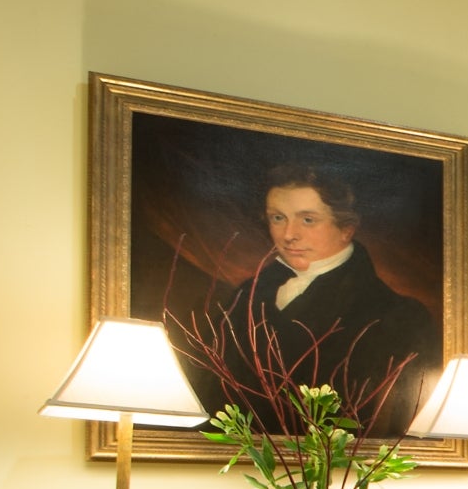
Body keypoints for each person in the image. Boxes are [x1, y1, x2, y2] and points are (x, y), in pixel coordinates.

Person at [174, 164, 440, 437]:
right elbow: (205, 392)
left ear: (346, 229)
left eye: (308, 220)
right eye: (278, 218)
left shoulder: (399, 315)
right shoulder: (246, 295)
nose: (289, 234)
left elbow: (401, 426)